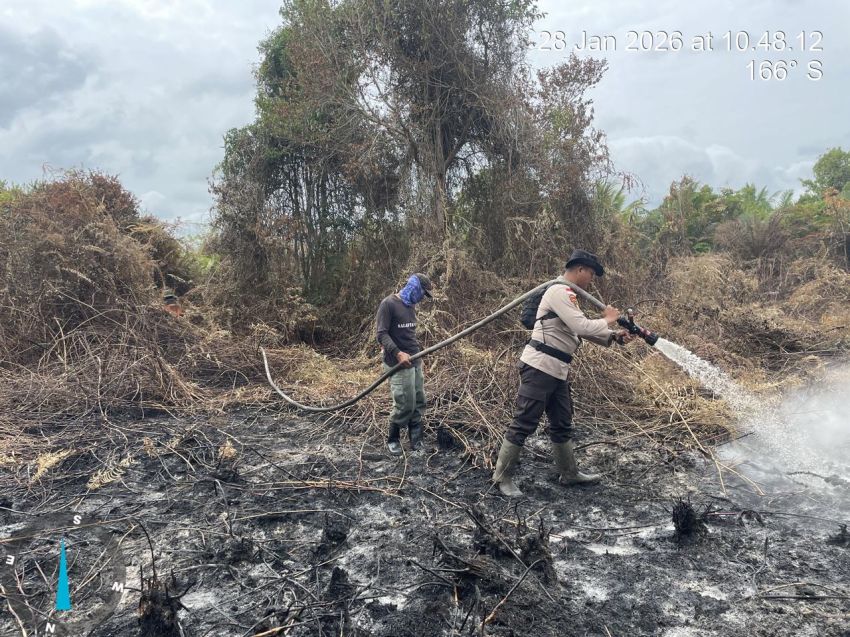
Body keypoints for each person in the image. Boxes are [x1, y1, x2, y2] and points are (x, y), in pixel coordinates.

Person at [492, 249, 635, 497]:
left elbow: (579, 331)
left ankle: (569, 473)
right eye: (590, 273)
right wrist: (609, 319)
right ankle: (502, 478)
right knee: (525, 421)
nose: (591, 279)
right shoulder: (559, 291)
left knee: (561, 422)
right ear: (579, 269)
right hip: (540, 367)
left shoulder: (570, 296)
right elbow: (581, 325)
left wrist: (615, 337)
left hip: (557, 369)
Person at [375, 273, 434, 455]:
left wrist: (416, 354)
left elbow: (408, 334)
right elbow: (381, 334)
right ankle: (393, 439)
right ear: (414, 287)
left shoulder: (411, 306)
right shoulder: (388, 304)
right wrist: (398, 353)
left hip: (415, 360)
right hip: (397, 362)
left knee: (418, 400)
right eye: (422, 293)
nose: (422, 298)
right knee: (404, 403)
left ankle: (416, 440)